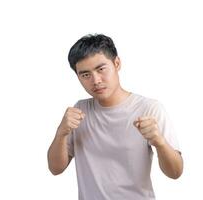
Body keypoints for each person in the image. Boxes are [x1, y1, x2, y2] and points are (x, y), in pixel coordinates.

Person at [47, 34, 183, 200]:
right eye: (85, 75)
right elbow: (55, 169)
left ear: (117, 63)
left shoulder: (149, 109)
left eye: (101, 69)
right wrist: (61, 133)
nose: (96, 80)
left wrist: (160, 142)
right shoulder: (79, 111)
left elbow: (175, 172)